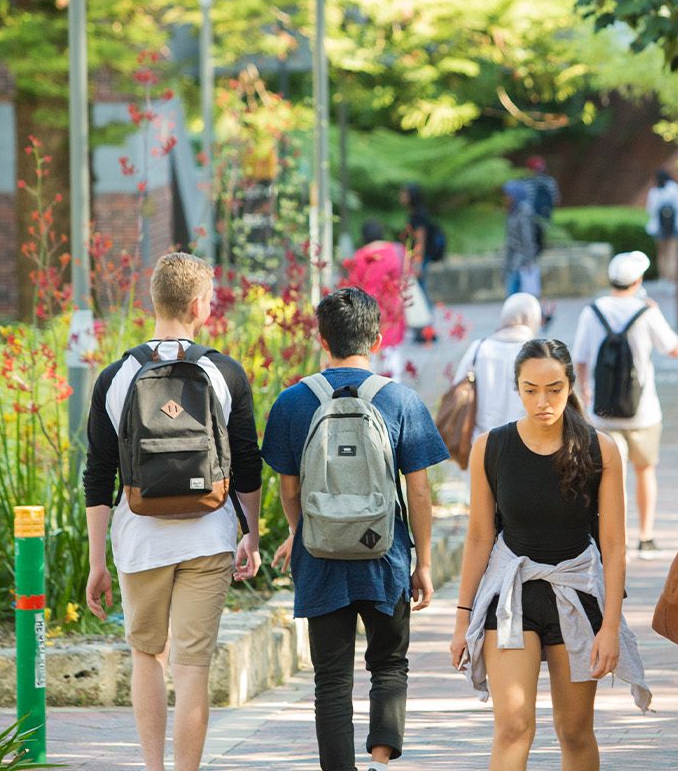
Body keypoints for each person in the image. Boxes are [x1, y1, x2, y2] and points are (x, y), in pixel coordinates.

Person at [82, 251, 263, 771]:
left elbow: (98, 475)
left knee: (147, 656)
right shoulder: (224, 371)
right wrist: (248, 534)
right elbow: (246, 463)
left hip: (140, 541)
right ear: (200, 305)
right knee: (191, 669)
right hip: (208, 536)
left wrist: (98, 561)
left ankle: (153, 768)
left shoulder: (116, 377)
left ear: (154, 301)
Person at [262, 287, 449, 771]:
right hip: (383, 554)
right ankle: (381, 761)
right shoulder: (402, 401)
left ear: (321, 339)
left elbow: (288, 489)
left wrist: (301, 529)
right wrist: (423, 563)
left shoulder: (292, 403)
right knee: (388, 664)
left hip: (320, 557)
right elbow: (421, 494)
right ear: (379, 338)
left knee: (330, 681)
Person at [449, 338, 650, 771]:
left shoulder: (601, 449)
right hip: (511, 596)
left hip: (575, 594)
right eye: (530, 389)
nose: (543, 401)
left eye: (554, 389)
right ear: (517, 388)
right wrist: (462, 619)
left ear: (571, 385)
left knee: (575, 731)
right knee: (513, 725)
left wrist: (611, 626)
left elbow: (613, 546)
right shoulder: (492, 447)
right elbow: (480, 538)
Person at [571, 251, 678, 557]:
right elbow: (674, 349)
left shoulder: (592, 311)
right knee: (645, 471)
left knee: (608, 476)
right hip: (642, 411)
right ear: (638, 281)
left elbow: (579, 359)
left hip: (602, 412)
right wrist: (654, 312)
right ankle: (645, 537)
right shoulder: (646, 312)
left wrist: (585, 391)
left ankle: (613, 537)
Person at [450, 293, 542, 445]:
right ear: (530, 320)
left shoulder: (479, 349)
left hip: (482, 444)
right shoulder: (540, 355)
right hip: (527, 446)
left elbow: (457, 392)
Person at [343, 220, 408, 378]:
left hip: (366, 306)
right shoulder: (397, 251)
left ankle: (369, 385)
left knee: (368, 348)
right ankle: (393, 385)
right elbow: (405, 274)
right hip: (391, 305)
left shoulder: (360, 255)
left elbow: (353, 283)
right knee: (391, 347)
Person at [645, 169, 678, 284]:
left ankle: (662, 277)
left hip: (659, 227)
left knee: (661, 254)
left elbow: (650, 210)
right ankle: (671, 278)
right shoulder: (677, 190)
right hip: (675, 227)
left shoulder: (655, 192)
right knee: (672, 253)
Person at [502, 179, 541, 299]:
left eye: (508, 194)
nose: (506, 198)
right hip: (513, 261)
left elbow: (527, 237)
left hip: (521, 262)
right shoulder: (514, 211)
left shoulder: (523, 211)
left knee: (516, 300)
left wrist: (528, 261)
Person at [526, 155, 559, 256]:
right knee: (540, 234)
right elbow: (556, 199)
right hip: (544, 213)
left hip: (532, 213)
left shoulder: (527, 182)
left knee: (532, 235)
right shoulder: (550, 181)